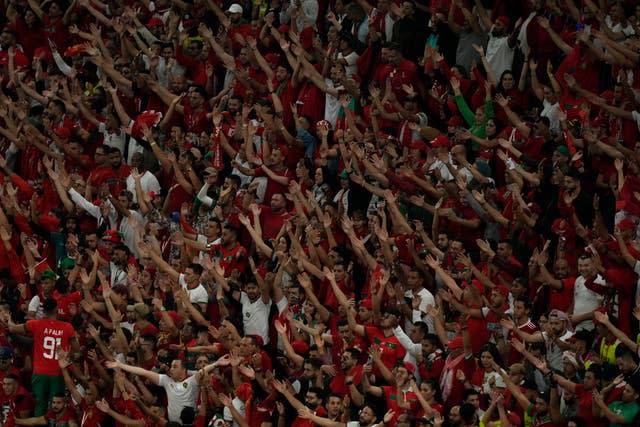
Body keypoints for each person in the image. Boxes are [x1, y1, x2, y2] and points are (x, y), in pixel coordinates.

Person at [3, 298, 79, 416]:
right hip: (58, 372)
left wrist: (9, 319)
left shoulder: (36, 324)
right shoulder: (68, 327)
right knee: (56, 405)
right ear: (56, 309)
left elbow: (12, 328)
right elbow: (77, 348)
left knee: (40, 404)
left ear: (43, 310)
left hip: (40, 372)